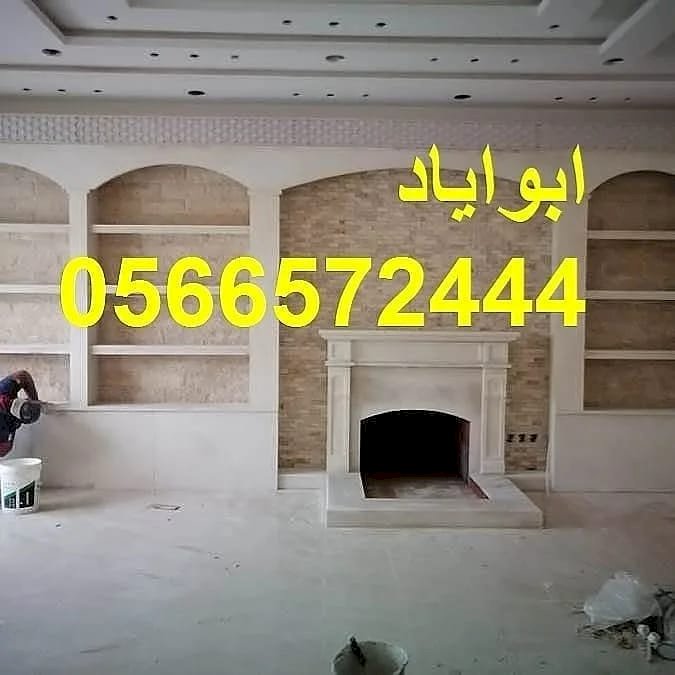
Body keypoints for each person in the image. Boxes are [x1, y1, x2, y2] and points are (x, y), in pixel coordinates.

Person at [0, 370, 43, 458]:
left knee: (5, 449)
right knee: (4, 450)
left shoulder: (7, 390)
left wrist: (34, 400)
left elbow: (23, 375)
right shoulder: (3, 390)